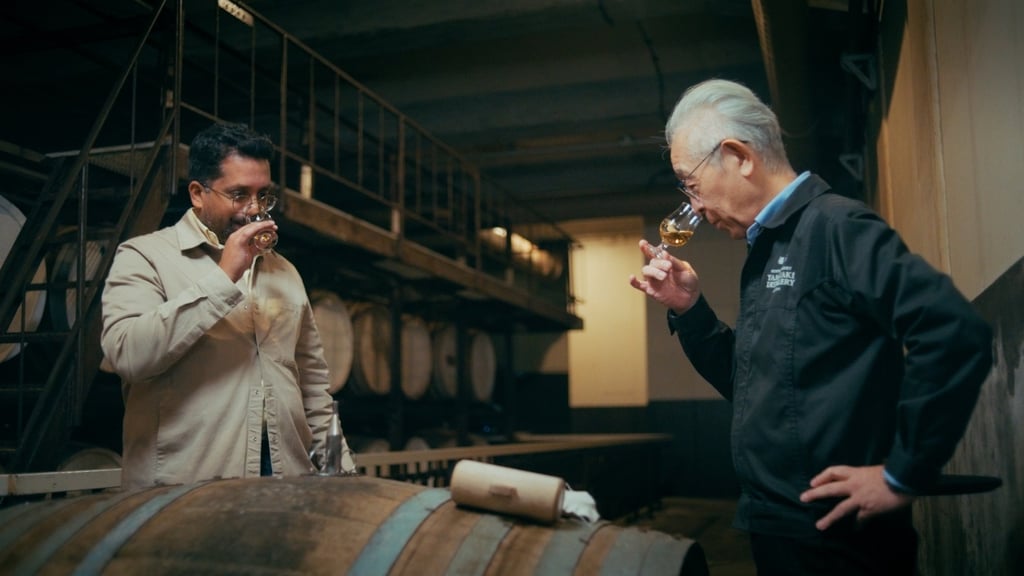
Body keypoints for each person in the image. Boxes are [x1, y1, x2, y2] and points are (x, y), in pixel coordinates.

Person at [629, 79, 992, 575]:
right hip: (780, 527)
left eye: (691, 185)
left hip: (835, 541)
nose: (694, 207)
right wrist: (690, 310)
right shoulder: (768, 249)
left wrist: (903, 474)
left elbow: (955, 330)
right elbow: (753, 385)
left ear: (738, 156)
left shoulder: (836, 229)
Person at [102, 122, 334, 490]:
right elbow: (129, 356)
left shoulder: (285, 272)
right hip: (182, 492)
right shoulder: (144, 257)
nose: (254, 210)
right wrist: (224, 277)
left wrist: (341, 472)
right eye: (239, 194)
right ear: (197, 193)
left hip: (287, 485)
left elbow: (315, 388)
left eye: (264, 195)